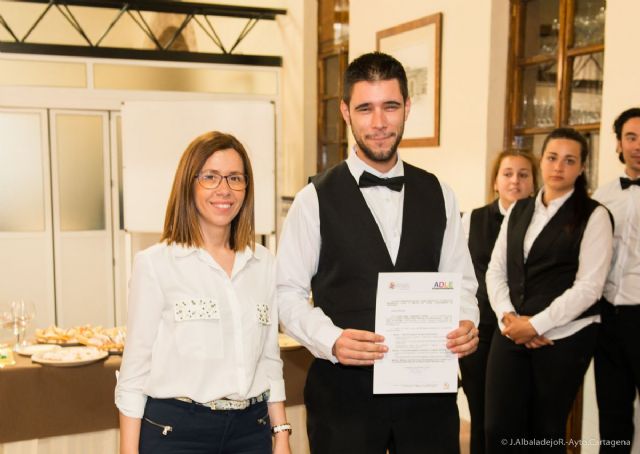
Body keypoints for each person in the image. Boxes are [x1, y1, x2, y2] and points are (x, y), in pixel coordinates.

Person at [277, 51, 479, 454]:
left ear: (407, 107)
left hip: (428, 397)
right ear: (346, 112)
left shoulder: (440, 193)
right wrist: (332, 339)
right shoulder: (312, 200)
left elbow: (461, 283)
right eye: (365, 108)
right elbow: (286, 293)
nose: (379, 122)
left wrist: (466, 322)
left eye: (390, 106)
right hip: (344, 399)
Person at [115, 131, 291, 454]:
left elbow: (269, 358)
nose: (224, 189)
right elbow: (134, 372)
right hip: (178, 432)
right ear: (189, 184)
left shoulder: (263, 263)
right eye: (210, 177)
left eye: (235, 178)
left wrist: (281, 433)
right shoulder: (155, 264)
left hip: (250, 431)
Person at [485, 128, 613, 452]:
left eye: (569, 161)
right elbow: (496, 270)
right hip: (510, 330)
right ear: (541, 160)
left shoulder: (595, 215)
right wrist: (508, 318)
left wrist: (537, 325)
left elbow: (589, 287)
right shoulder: (519, 209)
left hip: (565, 335)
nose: (559, 167)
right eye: (552, 157)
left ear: (582, 167)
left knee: (544, 431)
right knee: (498, 426)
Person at [459, 149, 537, 454]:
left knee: (519, 416)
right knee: (480, 414)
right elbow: (459, 272)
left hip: (523, 331)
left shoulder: (542, 222)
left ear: (534, 182)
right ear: (495, 182)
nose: (515, 181)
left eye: (523, 174)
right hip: (480, 330)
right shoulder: (472, 219)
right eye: (507, 174)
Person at [593, 107, 640, 453]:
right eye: (631, 137)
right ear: (619, 144)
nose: (638, 145)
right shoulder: (602, 195)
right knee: (612, 412)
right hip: (608, 316)